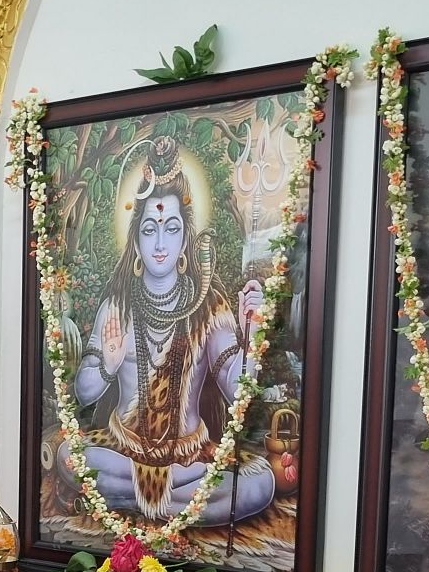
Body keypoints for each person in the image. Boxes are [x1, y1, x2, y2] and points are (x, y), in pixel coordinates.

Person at [67, 135, 276, 525]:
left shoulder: (208, 303)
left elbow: (236, 388)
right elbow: (83, 392)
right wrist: (107, 365)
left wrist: (254, 337)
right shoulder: (118, 305)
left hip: (190, 456)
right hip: (123, 451)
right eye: (149, 229)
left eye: (171, 228)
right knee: (67, 456)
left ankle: (139, 497)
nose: (160, 243)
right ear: (135, 240)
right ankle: (178, 498)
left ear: (186, 241)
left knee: (260, 484)